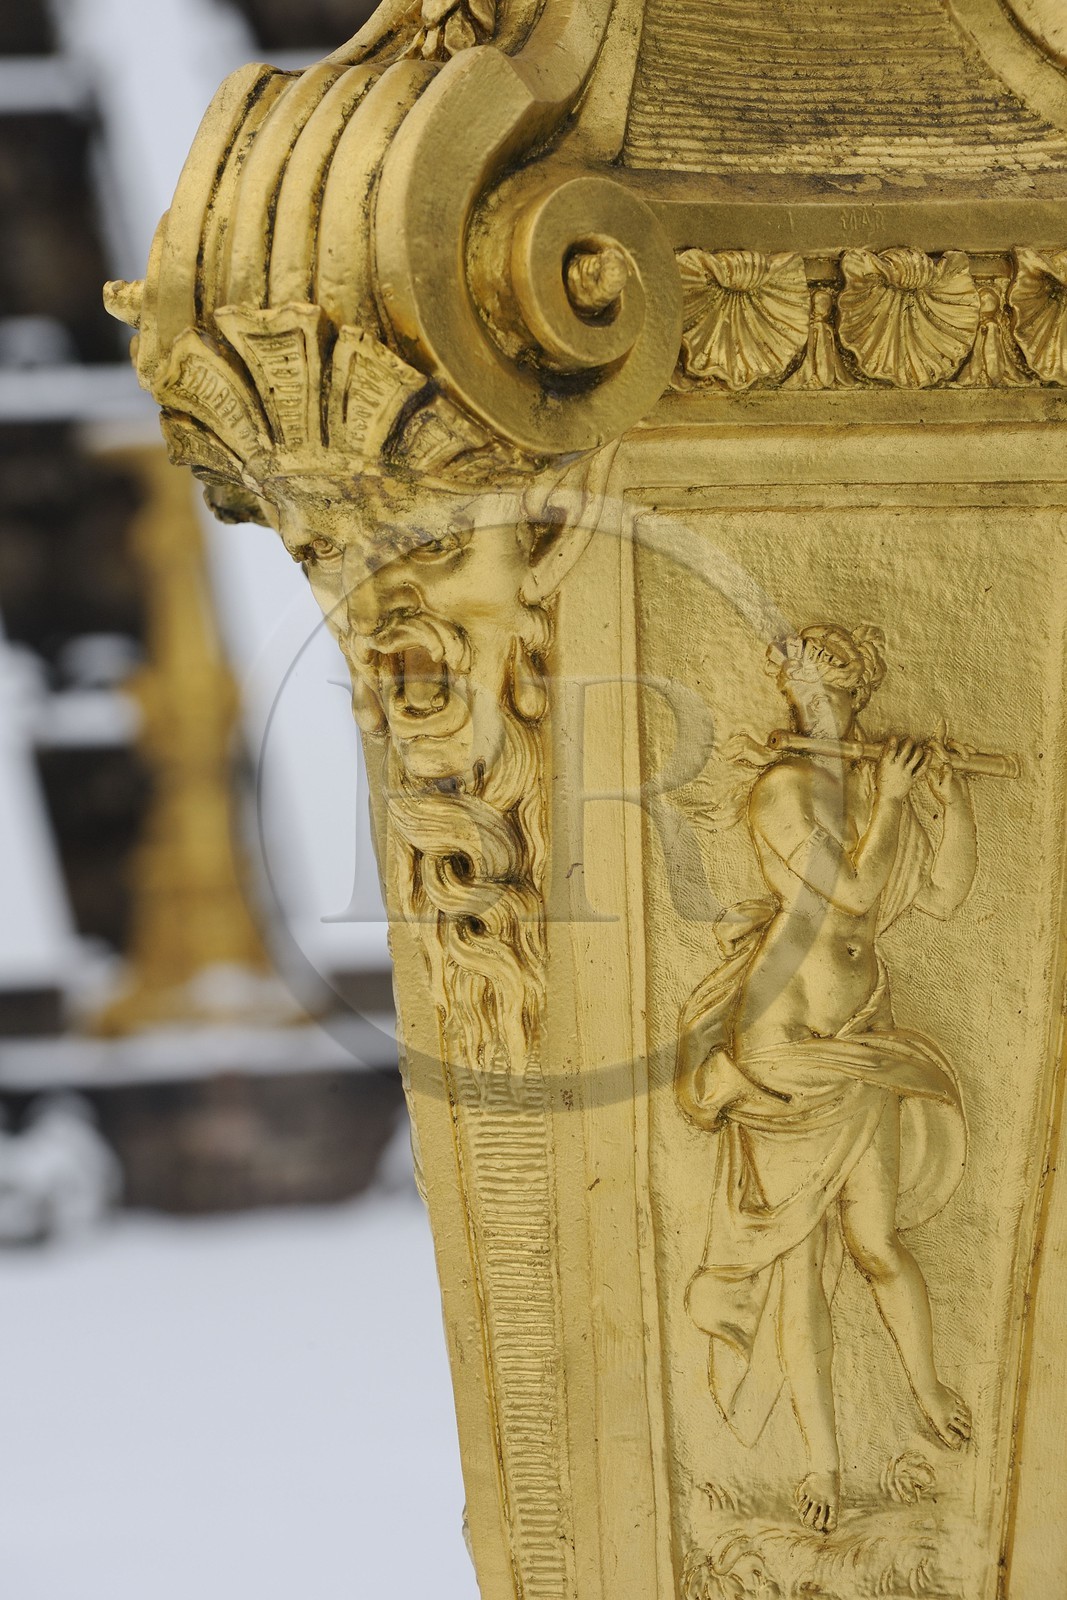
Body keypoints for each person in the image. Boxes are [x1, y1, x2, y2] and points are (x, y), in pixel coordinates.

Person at [677, 624, 978, 1534]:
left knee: (877, 1241)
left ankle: (924, 1389)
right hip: (782, 1046)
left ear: (855, 693)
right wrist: (889, 804)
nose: (802, 699)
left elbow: (941, 896)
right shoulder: (782, 788)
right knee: (800, 1265)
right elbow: (846, 898)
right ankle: (821, 1462)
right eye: (794, 684)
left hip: (859, 1034)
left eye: (824, 686)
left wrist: (946, 801)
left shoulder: (858, 782)